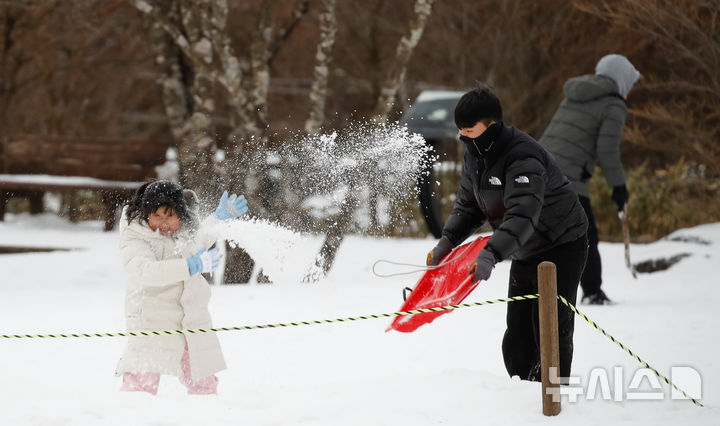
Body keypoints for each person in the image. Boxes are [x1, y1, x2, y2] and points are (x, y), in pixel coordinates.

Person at [426, 86, 588, 381]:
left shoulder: (523, 157)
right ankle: (519, 393)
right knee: (517, 334)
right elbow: (468, 206)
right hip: (524, 247)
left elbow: (522, 215)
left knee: (549, 327)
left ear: (492, 125)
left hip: (561, 244)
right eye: (459, 129)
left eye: (470, 129)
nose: (463, 136)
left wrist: (492, 252)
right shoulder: (474, 154)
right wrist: (447, 241)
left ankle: (552, 396)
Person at [116, 180, 248, 395]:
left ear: (181, 215)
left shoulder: (183, 230)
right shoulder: (134, 236)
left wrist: (218, 219)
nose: (163, 224)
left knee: (202, 378)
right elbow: (146, 271)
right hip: (151, 320)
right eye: (157, 216)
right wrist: (191, 265)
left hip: (189, 318)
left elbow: (196, 242)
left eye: (170, 217)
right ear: (146, 213)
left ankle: (203, 413)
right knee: (141, 383)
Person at [539, 54, 641, 305]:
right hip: (566, 180)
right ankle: (592, 292)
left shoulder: (574, 94)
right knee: (584, 235)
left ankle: (547, 291)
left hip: (538, 171)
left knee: (546, 236)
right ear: (622, 80)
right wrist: (618, 187)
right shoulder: (613, 105)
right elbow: (607, 150)